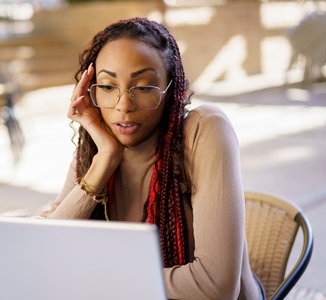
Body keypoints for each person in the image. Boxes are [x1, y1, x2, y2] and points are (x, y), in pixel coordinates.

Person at [40, 17, 265, 299]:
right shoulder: (95, 149)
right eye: (108, 87)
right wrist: (106, 158)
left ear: (171, 91)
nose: (123, 106)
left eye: (144, 87)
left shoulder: (204, 129)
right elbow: (47, 253)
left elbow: (216, 287)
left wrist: (100, 276)